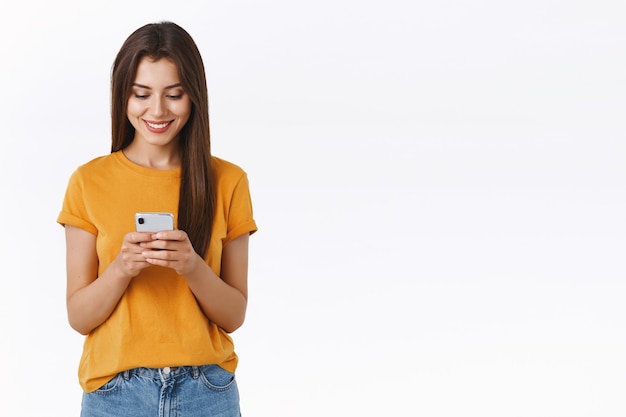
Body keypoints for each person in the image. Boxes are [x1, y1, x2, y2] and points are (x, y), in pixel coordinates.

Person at [57, 21, 257, 416]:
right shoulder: (88, 181)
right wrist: (121, 269)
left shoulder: (228, 181)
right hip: (115, 395)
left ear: (194, 96)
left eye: (174, 94)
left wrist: (191, 266)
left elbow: (234, 315)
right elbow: (79, 317)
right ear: (123, 96)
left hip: (207, 391)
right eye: (142, 94)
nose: (158, 110)